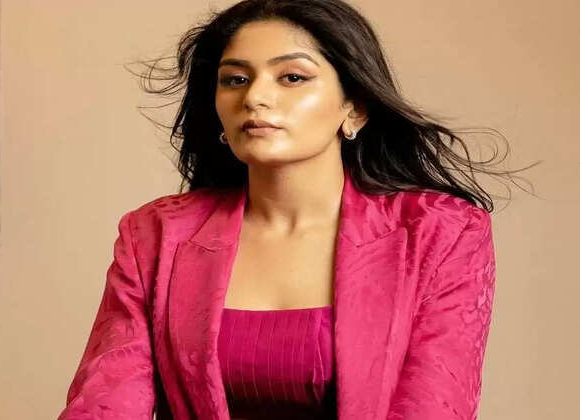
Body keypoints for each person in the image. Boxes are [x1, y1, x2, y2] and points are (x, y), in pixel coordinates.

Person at [58, 0, 529, 418]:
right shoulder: (156, 234)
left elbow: (434, 406)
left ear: (354, 107)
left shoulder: (439, 232)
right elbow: (105, 404)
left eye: (292, 77)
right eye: (235, 80)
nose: (254, 97)